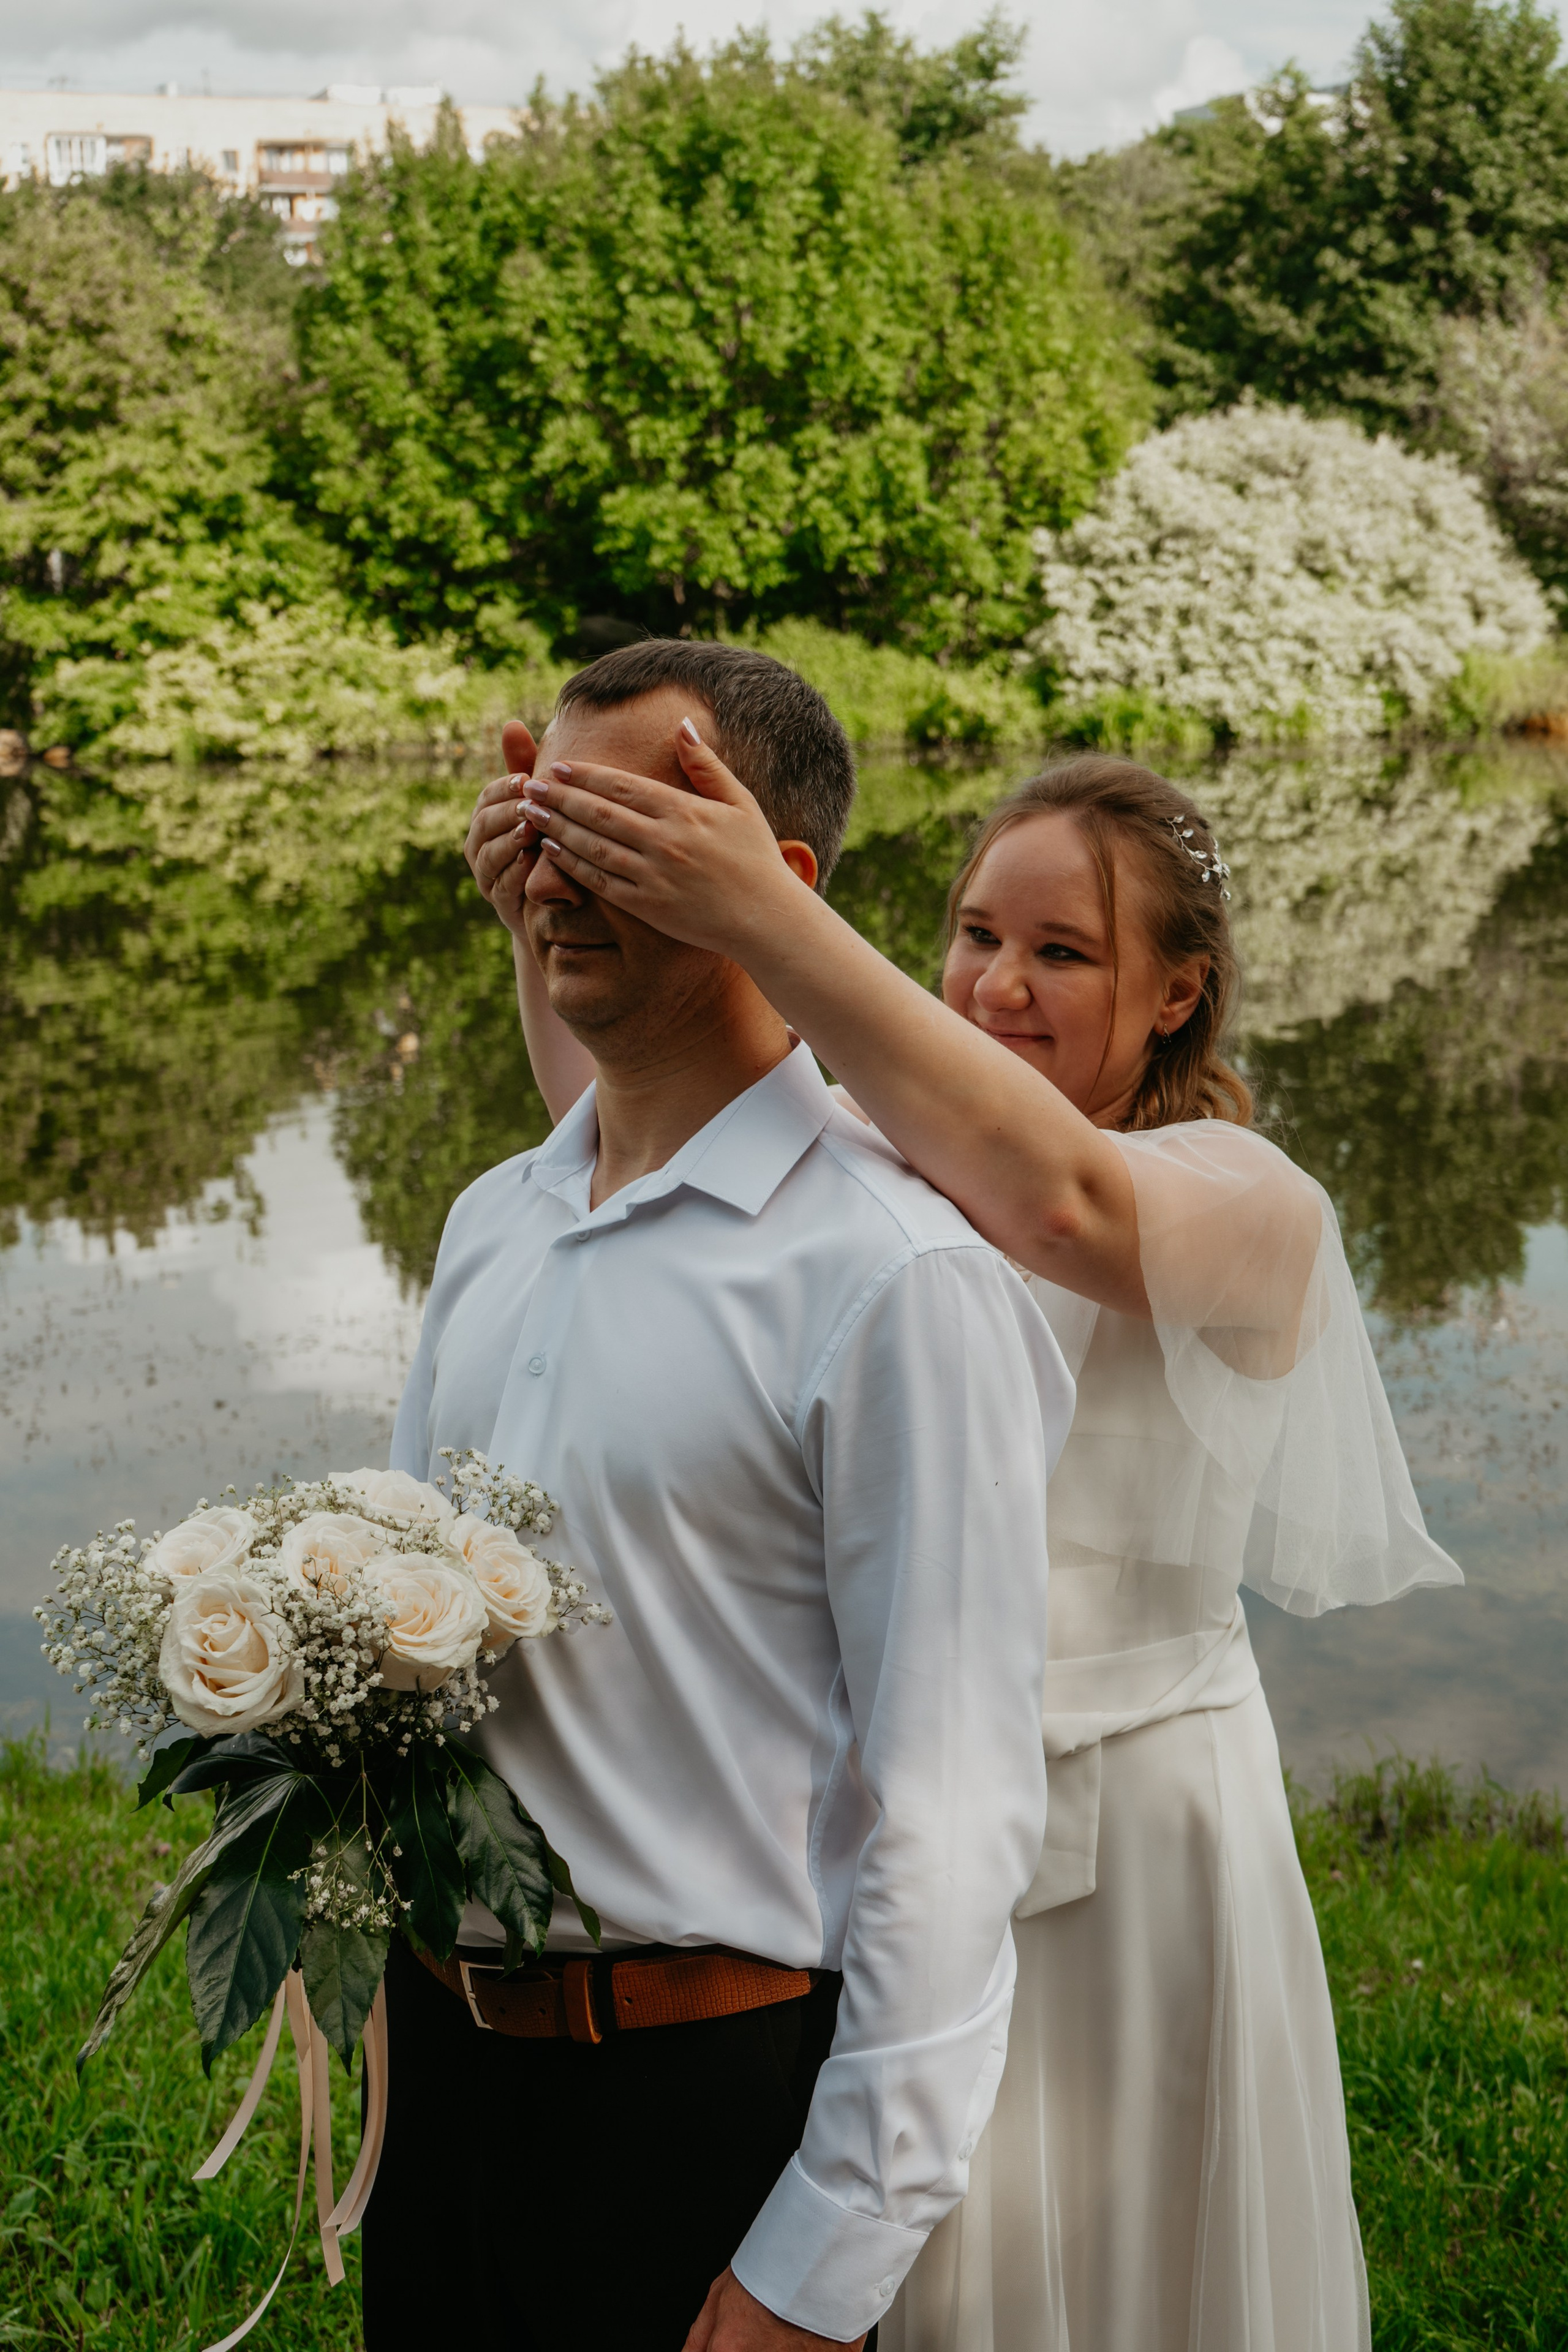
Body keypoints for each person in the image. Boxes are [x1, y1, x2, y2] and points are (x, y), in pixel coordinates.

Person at [464, 697, 1464, 2352]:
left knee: (1122, 2258)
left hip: (1136, 1845)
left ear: (1178, 992)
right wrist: (550, 922)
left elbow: (1060, 1201)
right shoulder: (907, 1163)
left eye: (1063, 953)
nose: (998, 984)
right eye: (975, 933)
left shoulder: (1249, 1202)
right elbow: (630, 1122)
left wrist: (762, 912)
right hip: (907, 1836)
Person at [370, 641, 1076, 2352]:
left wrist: (818, 2270)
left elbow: (954, 1819)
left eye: (618, 829)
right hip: (445, 2100)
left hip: (699, 2118)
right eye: (539, 823)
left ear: (780, 883)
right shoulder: (494, 1223)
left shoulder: (891, 1277)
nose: (552, 876)